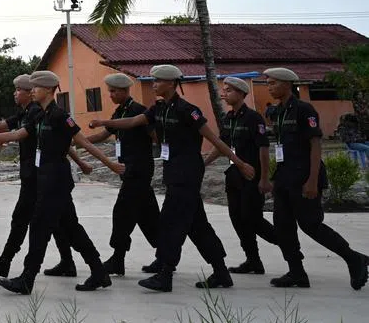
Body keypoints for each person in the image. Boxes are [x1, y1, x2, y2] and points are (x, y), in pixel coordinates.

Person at [92, 64, 254, 292]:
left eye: (157, 81)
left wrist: (239, 163)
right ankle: (221, 272)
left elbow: (215, 140)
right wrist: (104, 123)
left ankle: (165, 274)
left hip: (187, 173)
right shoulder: (158, 108)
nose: (154, 84)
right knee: (197, 225)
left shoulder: (188, 110)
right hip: (174, 173)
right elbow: (132, 122)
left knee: (170, 223)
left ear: (170, 83)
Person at [0, 71, 124, 295]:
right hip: (44, 179)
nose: (32, 91)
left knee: (39, 227)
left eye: (36, 88)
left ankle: (27, 279)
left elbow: (83, 143)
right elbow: (20, 134)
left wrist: (110, 164)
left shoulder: (60, 116)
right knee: (72, 229)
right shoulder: (41, 115)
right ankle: (99, 272)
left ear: (49, 90)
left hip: (56, 180)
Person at [0, 74, 84, 279]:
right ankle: (67, 262)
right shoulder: (28, 112)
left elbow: (59, 141)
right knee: (58, 222)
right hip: (36, 175)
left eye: (19, 89)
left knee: (33, 220)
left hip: (40, 177)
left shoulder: (39, 112)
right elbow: (3, 125)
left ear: (31, 92)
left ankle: (12, 265)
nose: (15, 93)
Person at [264, 67, 368, 290]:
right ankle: (296, 272)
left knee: (311, 224)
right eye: (268, 83)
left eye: (273, 83)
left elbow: (315, 145)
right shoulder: (278, 112)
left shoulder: (304, 109)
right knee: (282, 227)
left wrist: (312, 181)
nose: (269, 87)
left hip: (303, 176)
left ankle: (353, 258)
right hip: (283, 176)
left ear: (287, 84)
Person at [80, 72, 160, 276]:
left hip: (139, 170)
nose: (110, 95)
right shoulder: (120, 112)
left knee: (122, 213)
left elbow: (155, 136)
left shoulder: (138, 111)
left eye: (114, 91)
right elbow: (103, 135)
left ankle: (118, 259)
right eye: (110, 91)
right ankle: (166, 255)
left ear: (125, 91)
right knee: (147, 216)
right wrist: (76, 141)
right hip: (129, 170)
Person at [203, 76, 279, 276]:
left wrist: (264, 178)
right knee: (237, 218)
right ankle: (253, 261)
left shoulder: (253, 118)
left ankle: (287, 244)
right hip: (234, 175)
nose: (224, 94)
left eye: (228, 90)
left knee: (252, 219)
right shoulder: (229, 119)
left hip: (251, 176)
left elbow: (263, 149)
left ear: (241, 94)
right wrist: (203, 164)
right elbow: (221, 146)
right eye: (224, 90)